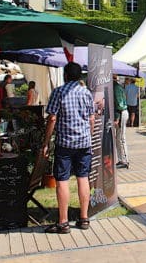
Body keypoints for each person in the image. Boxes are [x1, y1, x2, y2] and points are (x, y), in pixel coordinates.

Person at [42, 62, 95, 234]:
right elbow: (91, 119)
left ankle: (63, 222)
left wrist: (46, 142)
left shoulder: (59, 92)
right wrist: (89, 136)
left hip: (65, 143)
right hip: (84, 143)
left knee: (62, 180)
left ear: (65, 75)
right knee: (83, 177)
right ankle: (84, 218)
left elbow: (51, 119)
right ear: (80, 76)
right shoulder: (86, 93)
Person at [113, 74, 129, 169]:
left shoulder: (116, 88)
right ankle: (121, 159)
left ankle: (125, 160)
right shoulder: (117, 87)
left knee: (121, 138)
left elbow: (120, 105)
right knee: (118, 138)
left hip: (121, 113)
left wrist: (117, 118)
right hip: (121, 113)